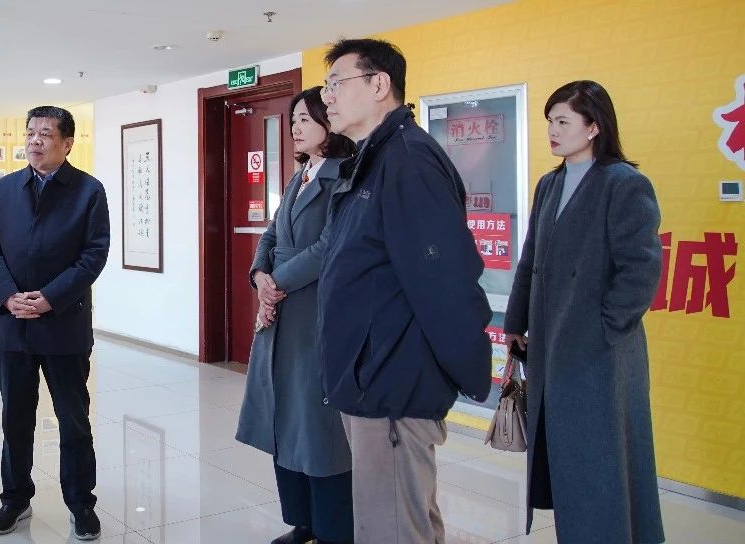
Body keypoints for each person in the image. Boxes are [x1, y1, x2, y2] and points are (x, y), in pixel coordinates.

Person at [315, 38, 493, 542]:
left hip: (391, 380)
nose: (327, 97)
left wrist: (466, 367)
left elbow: (444, 279)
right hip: (370, 374)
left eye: (336, 83)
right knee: (399, 520)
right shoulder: (374, 157)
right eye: (325, 87)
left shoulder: (408, 160)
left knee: (391, 526)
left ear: (379, 84)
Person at [505, 80, 665, 543]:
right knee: (566, 461)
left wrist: (603, 328)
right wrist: (515, 323)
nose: (552, 132)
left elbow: (641, 269)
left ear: (594, 126)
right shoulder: (549, 184)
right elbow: (531, 260)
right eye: (549, 122)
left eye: (563, 121)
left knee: (602, 463)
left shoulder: (624, 184)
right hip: (552, 348)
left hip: (601, 355)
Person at [0, 106, 110, 540]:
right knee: (15, 419)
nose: (35, 140)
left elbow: (94, 254)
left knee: (74, 420)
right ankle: (15, 499)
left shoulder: (88, 191)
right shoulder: (5, 189)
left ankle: (81, 504)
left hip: (64, 325)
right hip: (14, 324)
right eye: (31, 132)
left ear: (67, 143)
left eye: (46, 134)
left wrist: (50, 298)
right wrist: (7, 295)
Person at [234, 86, 356, 544]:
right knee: (282, 416)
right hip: (281, 309)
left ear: (329, 121)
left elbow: (329, 246)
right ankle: (302, 521)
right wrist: (259, 274)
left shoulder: (345, 175)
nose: (295, 127)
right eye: (293, 119)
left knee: (317, 427)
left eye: (305, 118)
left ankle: (333, 529)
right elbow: (271, 231)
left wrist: (276, 282)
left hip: (314, 311)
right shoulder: (300, 174)